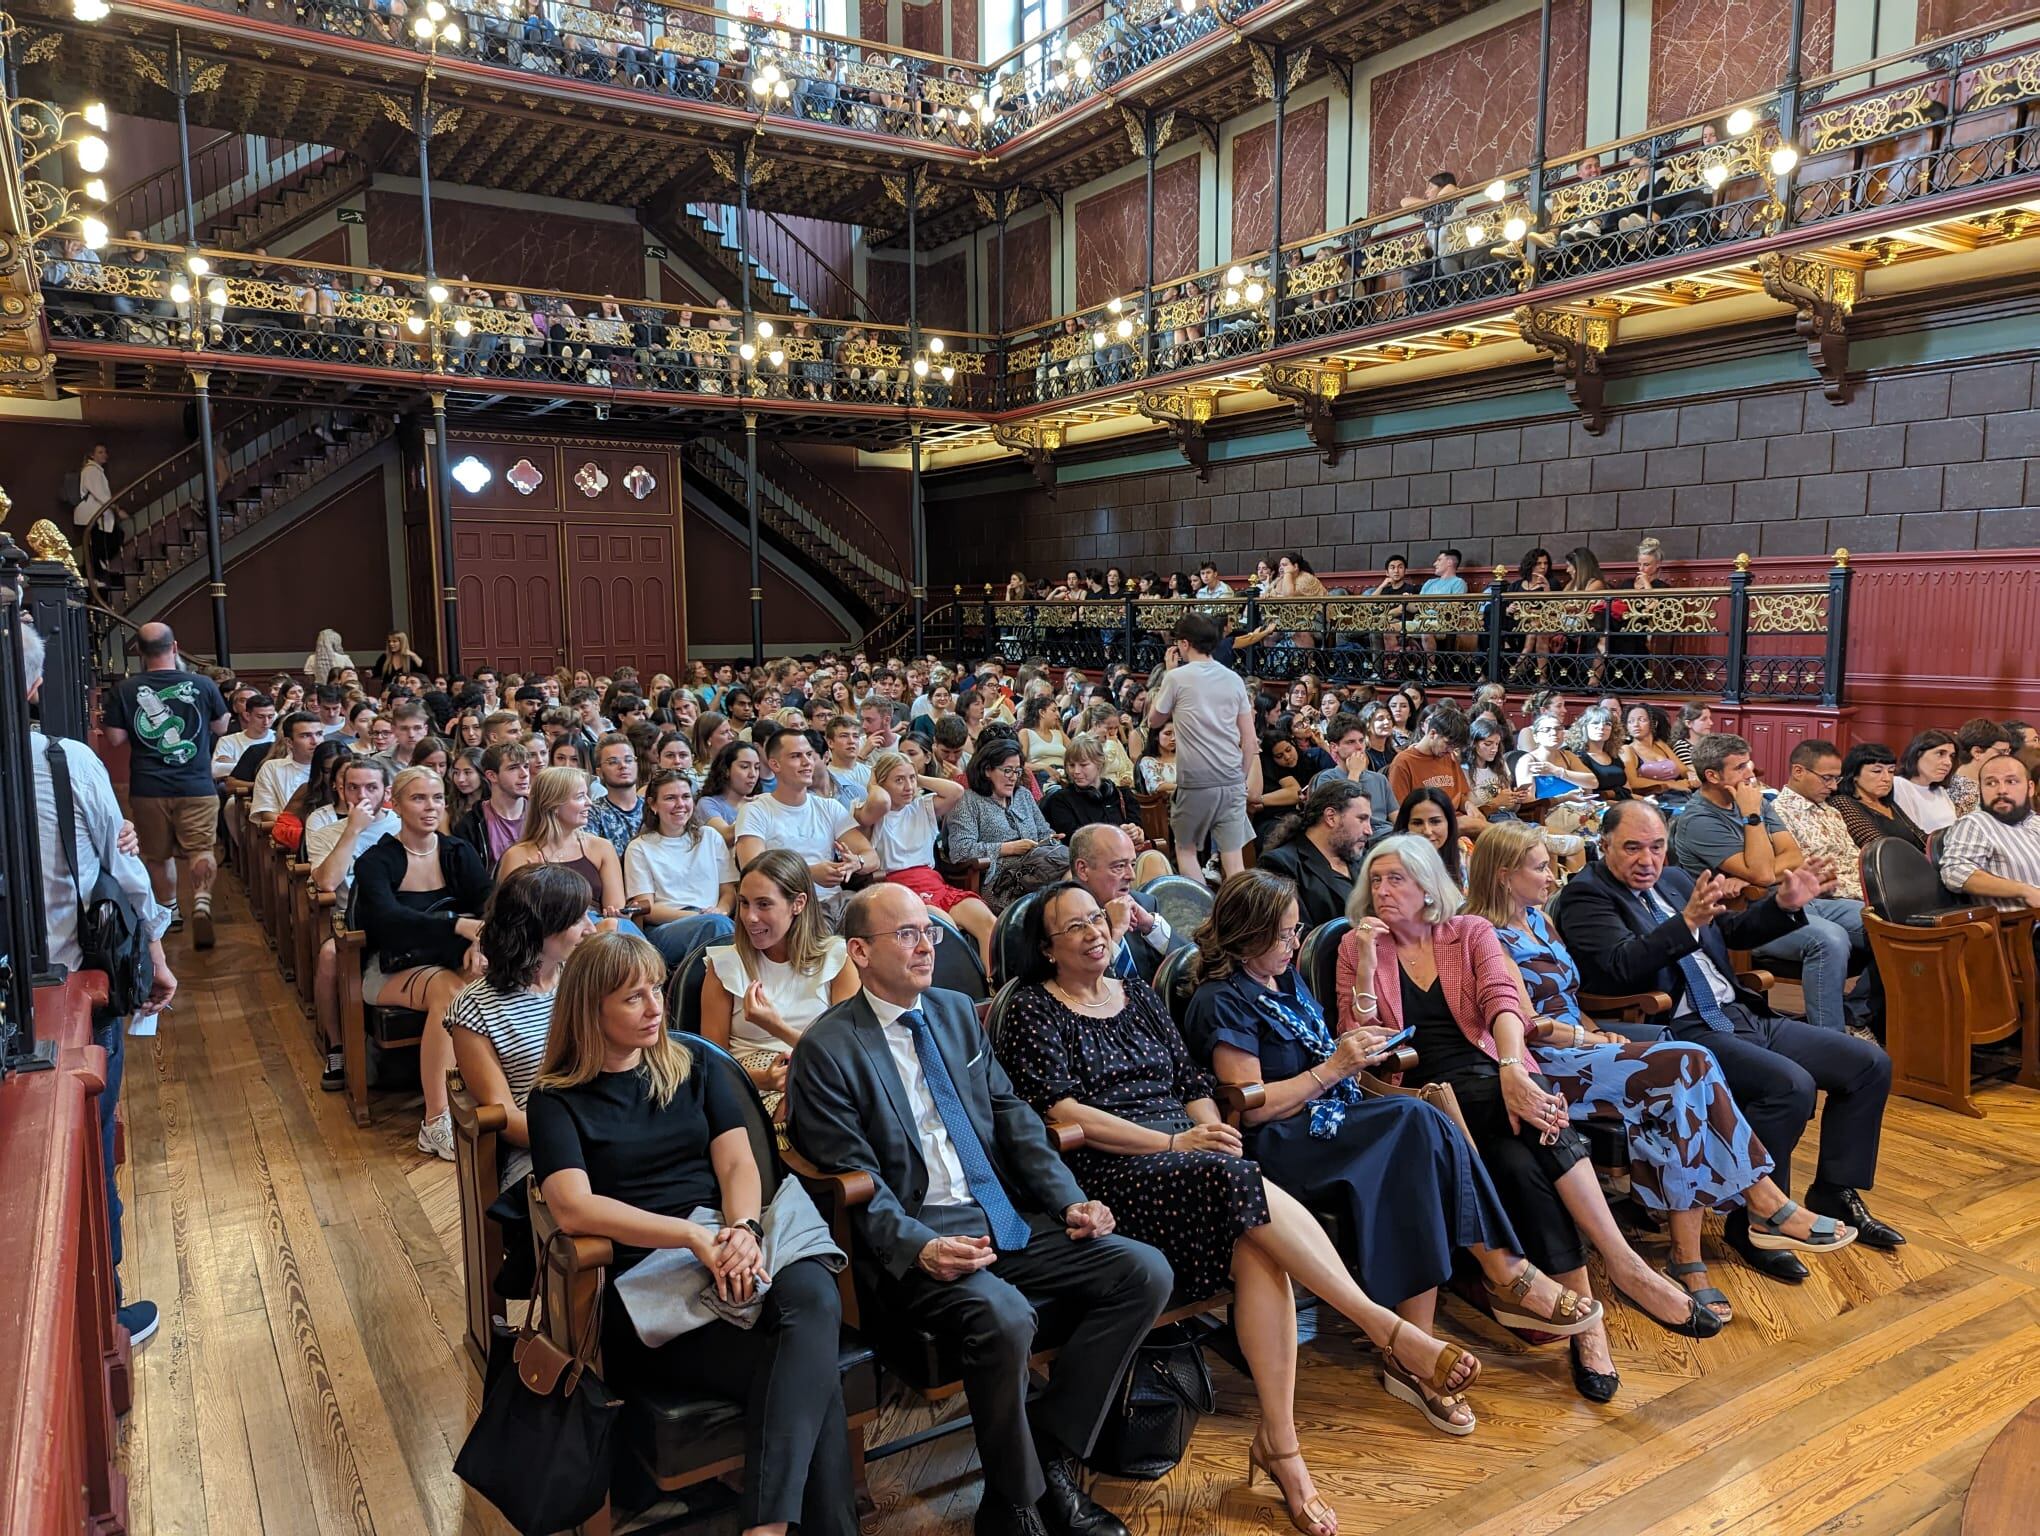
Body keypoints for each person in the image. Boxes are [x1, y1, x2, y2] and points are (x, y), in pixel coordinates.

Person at [997, 885, 1488, 1524]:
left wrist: (1214, 1134)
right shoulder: (1034, 1009)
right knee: (1238, 1187)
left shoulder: (1139, 995)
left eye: (1097, 917)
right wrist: (1178, 1140)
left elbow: (1192, 1083)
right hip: (1113, 1171)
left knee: (1256, 1238)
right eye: (1074, 927)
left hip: (1192, 1161)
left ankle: (1281, 1445)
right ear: (1046, 947)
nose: (1093, 932)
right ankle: (1383, 1328)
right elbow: (1061, 1113)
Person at [788, 884, 1173, 1536]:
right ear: (858, 951)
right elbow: (859, 1184)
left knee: (1145, 1272)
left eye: (928, 932)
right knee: (1006, 1316)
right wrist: (920, 1248)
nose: (925, 945)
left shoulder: (955, 1012)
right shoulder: (830, 1049)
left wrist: (1070, 1199)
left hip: (1006, 1216)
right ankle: (1019, 1505)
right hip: (923, 1240)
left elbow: (1013, 1119)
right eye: (906, 934)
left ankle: (1043, 1459)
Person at [1185, 869, 1604, 1422]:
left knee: (1421, 1143)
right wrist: (1335, 1067)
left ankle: (1416, 1347)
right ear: (1247, 935)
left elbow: (1316, 1052)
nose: (1293, 944)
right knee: (1415, 1120)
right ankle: (1503, 1274)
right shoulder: (1222, 999)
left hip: (1329, 1117)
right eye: (1284, 934)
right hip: (1280, 1141)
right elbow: (1255, 1104)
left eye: (1295, 932)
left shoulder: (1279, 978)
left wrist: (1350, 1048)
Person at [1335, 837, 1723, 1381]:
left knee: (1525, 1164)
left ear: (1427, 886)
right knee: (1535, 1113)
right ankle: (1625, 1268)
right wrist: (1367, 964)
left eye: (1395, 878)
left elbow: (1503, 1000)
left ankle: (1590, 1324)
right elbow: (1357, 1042)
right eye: (1374, 881)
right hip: (1418, 1098)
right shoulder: (1357, 946)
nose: (1381, 891)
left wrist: (1513, 1067)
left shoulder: (1467, 931)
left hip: (1491, 1076)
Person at [530, 932, 858, 1536]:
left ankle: (767, 1529)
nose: (656, 1007)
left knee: (813, 1297)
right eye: (633, 998)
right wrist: (691, 1238)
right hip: (653, 1281)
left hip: (738, 1237)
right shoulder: (556, 1100)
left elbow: (738, 1164)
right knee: (808, 1372)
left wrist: (742, 1230)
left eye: (656, 989)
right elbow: (573, 1207)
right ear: (589, 1009)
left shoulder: (694, 1063)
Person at [1465, 823, 1856, 1322]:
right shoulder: (1481, 932)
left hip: (1583, 1044)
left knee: (1686, 1088)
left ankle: (1690, 1259)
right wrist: (1597, 1039)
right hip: (1546, 1065)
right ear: (1502, 876)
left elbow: (1569, 999)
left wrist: (1599, 1032)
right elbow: (1527, 1025)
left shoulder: (1538, 919)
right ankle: (1763, 1203)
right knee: (1690, 1060)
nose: (1551, 877)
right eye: (1541, 867)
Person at [1553, 800, 1903, 1267]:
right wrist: (1688, 923)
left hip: (1739, 1012)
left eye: (1657, 847)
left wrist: (1783, 906)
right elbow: (1619, 967)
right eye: (1632, 848)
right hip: (1681, 1029)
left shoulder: (1675, 882)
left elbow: (1733, 933)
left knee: (1868, 1065)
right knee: (1788, 1086)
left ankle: (1835, 1190)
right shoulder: (1587, 895)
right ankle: (1755, 1223)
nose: (1647, 860)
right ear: (1605, 845)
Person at [26, 620, 175, 1353]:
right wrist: (152, 946)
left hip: (39, 989)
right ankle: (104, 1317)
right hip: (66, 991)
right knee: (84, 1148)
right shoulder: (64, 761)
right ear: (31, 687)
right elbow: (121, 872)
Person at [1669, 733, 1871, 1038]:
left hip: (1792, 898)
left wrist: (1755, 872)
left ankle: (1861, 1016)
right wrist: (1752, 818)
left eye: (1748, 764)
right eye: (1739, 768)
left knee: (1882, 922)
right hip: (1747, 918)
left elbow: (1793, 855)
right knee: (1829, 939)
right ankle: (1829, 1040)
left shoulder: (1758, 801)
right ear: (1712, 776)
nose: (1750, 773)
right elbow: (1763, 875)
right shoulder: (1700, 820)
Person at [352, 766, 493, 1158]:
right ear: (393, 804)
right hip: (392, 967)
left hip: (451, 959)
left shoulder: (456, 851)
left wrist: (477, 943)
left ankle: (500, 1092)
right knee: (450, 992)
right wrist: (458, 926)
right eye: (418, 798)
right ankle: (435, 1120)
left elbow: (489, 903)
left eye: (436, 798)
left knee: (499, 978)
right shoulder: (376, 860)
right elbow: (391, 922)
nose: (430, 807)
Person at [447, 864, 596, 1204]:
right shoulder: (475, 1009)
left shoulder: (587, 979)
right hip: (541, 1150)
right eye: (577, 920)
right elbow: (507, 1117)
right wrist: (587, 1138)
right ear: (539, 928)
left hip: (609, 1129)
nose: (590, 928)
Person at [701, 850, 861, 1125]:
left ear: (798, 903)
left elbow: (849, 1058)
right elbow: (712, 1066)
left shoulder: (837, 959)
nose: (750, 917)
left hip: (823, 1074)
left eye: (764, 905)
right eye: (744, 903)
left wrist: (776, 1027)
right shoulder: (724, 966)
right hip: (750, 1080)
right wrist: (763, 1079)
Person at [101, 621, 231, 949]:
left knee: (157, 856)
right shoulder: (202, 684)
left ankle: (170, 911)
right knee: (202, 848)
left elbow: (115, 739)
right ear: (175, 647)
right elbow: (220, 728)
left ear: (140, 654)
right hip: (197, 785)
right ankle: (201, 899)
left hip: (149, 787)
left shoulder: (125, 690)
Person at [854, 750, 997, 973]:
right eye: (899, 780)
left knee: (986, 920)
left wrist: (914, 775)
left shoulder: (922, 806)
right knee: (944, 924)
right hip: (899, 889)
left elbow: (956, 791)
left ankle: (991, 987)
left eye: (911, 779)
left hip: (933, 882)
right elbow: (880, 801)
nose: (908, 786)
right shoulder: (875, 811)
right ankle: (957, 983)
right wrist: (873, 785)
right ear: (881, 783)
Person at [1147, 613, 1259, 884]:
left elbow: (1154, 720)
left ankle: (1203, 913)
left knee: (1185, 852)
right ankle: (1241, 920)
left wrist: (1170, 673)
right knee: (1234, 862)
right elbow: (1251, 741)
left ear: (1184, 644)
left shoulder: (1177, 677)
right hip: (1232, 778)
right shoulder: (1233, 679)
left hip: (1196, 781)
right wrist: (1241, 779)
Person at [734, 728, 873, 929]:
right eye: (796, 756)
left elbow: (870, 856)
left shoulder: (829, 807)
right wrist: (808, 873)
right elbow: (752, 870)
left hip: (837, 903)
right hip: (789, 908)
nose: (807, 762)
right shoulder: (756, 811)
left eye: (809, 754)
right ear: (775, 764)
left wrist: (855, 863)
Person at [942, 735, 1070, 913]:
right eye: (1007, 770)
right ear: (987, 770)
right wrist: (1009, 848)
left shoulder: (1023, 795)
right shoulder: (968, 800)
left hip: (1040, 868)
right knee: (1068, 883)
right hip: (1003, 881)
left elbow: (1044, 831)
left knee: (1075, 873)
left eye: (1017, 772)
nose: (1013, 778)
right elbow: (960, 851)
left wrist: (1050, 839)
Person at [624, 770, 739, 967]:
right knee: (718, 930)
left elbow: (728, 891)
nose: (680, 804)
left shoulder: (710, 837)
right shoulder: (640, 847)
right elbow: (647, 910)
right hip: (666, 929)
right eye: (670, 798)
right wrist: (700, 917)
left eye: (686, 797)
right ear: (653, 805)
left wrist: (721, 910)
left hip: (715, 920)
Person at [1066, 824, 1183, 985]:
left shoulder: (1143, 904)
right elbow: (1084, 990)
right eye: (1119, 866)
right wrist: (1116, 935)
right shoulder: (1062, 921)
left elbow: (1191, 966)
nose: (1132, 876)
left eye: (1132, 865)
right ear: (1083, 869)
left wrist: (1151, 926)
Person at [1258, 778, 1371, 929]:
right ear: (1331, 817)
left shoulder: (1362, 858)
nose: (1369, 831)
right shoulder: (1280, 864)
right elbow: (1297, 936)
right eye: (1362, 819)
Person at [1939, 755, 2040, 912]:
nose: (2001, 790)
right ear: (1980, 789)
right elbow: (1955, 872)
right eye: (1991, 783)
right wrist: (2026, 891)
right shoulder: (1976, 824)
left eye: (2011, 781)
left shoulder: (2035, 822)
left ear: (2031, 788)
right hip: (2023, 928)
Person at [1772, 741, 1865, 903]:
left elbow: (1854, 857)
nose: (1834, 787)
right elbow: (1802, 873)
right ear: (1798, 771)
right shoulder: (1777, 813)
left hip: (1864, 887)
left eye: (1837, 779)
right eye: (1827, 778)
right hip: (1831, 895)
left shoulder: (1832, 812)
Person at [1385, 703, 1486, 833]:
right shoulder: (1403, 762)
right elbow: (1399, 813)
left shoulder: (1449, 757)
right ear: (1433, 733)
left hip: (1456, 821)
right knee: (1490, 831)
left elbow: (1460, 795)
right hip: (1430, 825)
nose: (1450, 750)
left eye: (1454, 747)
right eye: (1448, 744)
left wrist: (1469, 805)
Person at [1041, 735, 1145, 846]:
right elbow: (1073, 840)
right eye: (1071, 765)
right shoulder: (1061, 800)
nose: (1076, 771)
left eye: (1083, 765)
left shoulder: (1123, 795)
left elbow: (1138, 828)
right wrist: (1116, 835)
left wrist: (1136, 833)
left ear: (1100, 764)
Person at [1831, 741, 1926, 852]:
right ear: (1854, 775)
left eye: (1891, 771)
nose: (1887, 778)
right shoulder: (1842, 802)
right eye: (1877, 771)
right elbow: (1880, 847)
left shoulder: (1888, 804)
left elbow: (1921, 837)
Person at [249, 711, 325, 833]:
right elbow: (267, 813)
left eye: (319, 734)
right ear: (289, 742)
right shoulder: (272, 768)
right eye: (305, 736)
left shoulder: (334, 766)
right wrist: (305, 831)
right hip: (294, 835)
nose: (315, 741)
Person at [1394, 787, 1471, 889]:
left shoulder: (1464, 852)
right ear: (1405, 826)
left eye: (1435, 822)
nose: (1427, 831)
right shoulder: (1391, 862)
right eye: (1417, 823)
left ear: (1449, 823)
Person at [585, 732, 646, 856]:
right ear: (600, 772)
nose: (623, 766)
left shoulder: (652, 808)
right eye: (613, 762)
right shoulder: (592, 812)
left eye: (629, 760)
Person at [1893, 729, 1960, 834]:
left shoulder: (1939, 790)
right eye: (1940, 753)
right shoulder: (1900, 785)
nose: (1948, 762)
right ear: (1918, 753)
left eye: (1951, 756)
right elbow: (1911, 835)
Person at [1622, 702, 1695, 796]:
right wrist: (1670, 784)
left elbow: (1684, 770)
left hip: (1679, 794)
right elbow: (1633, 782)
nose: (1635, 724)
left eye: (1642, 720)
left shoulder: (1660, 744)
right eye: (1630, 721)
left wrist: (1691, 776)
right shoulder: (1627, 749)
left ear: (1654, 724)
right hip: (1652, 799)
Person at [1950, 717, 2015, 820]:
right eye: (2001, 752)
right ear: (1977, 752)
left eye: (2008, 752)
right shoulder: (1966, 794)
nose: (2006, 758)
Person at [73, 442, 118, 579]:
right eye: (100, 452)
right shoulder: (91, 470)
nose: (105, 455)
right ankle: (94, 571)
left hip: (94, 514)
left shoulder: (95, 470)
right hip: (91, 514)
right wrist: (115, 508)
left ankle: (94, 570)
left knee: (99, 542)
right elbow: (100, 494)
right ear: (92, 455)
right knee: (105, 540)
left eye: (105, 452)